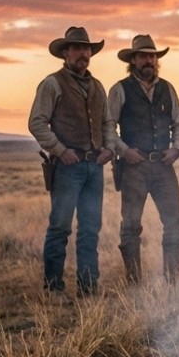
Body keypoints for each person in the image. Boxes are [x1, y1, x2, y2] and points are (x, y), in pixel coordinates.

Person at [28, 26, 114, 295]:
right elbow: (37, 123)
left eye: (87, 49)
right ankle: (53, 289)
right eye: (77, 48)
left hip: (94, 167)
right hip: (67, 167)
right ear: (66, 53)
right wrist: (60, 150)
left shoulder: (98, 86)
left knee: (90, 230)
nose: (83, 53)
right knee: (60, 228)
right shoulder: (52, 83)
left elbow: (108, 123)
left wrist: (109, 149)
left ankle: (88, 287)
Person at [105, 34, 179, 284]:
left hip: (163, 165)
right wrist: (123, 150)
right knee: (130, 226)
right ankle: (134, 282)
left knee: (175, 222)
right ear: (133, 60)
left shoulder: (167, 88)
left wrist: (176, 149)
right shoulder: (120, 89)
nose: (148, 60)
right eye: (143, 56)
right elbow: (108, 127)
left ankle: (172, 280)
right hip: (134, 166)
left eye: (152, 56)